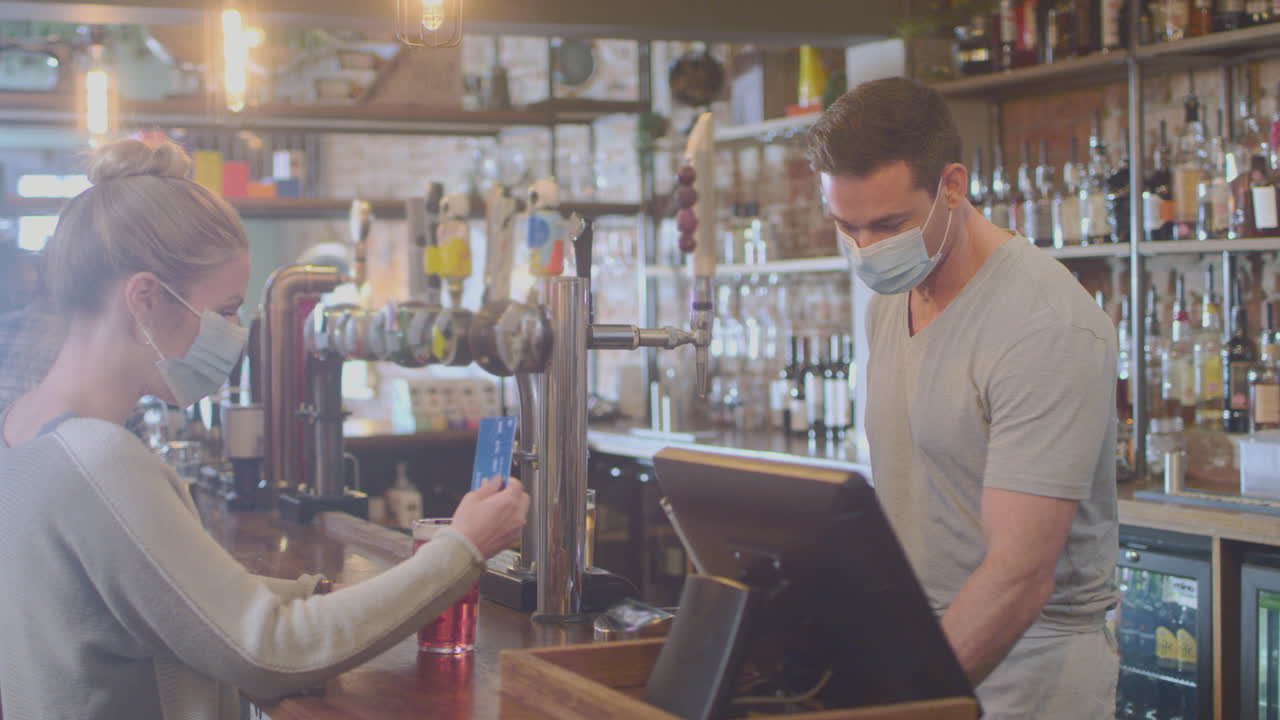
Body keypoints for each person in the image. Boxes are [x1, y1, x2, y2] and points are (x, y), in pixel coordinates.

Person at [0, 138, 530, 720]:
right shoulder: (100, 461)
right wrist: (463, 548)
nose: (233, 332)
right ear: (145, 297)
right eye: (225, 310)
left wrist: (318, 595)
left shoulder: (23, 428)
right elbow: (271, 652)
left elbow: (176, 597)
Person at [808, 77, 1119, 718]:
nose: (866, 251)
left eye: (889, 224)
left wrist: (907, 699)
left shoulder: (1043, 324)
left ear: (953, 186)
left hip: (1025, 669)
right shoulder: (891, 299)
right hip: (919, 648)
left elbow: (1019, 577)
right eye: (847, 227)